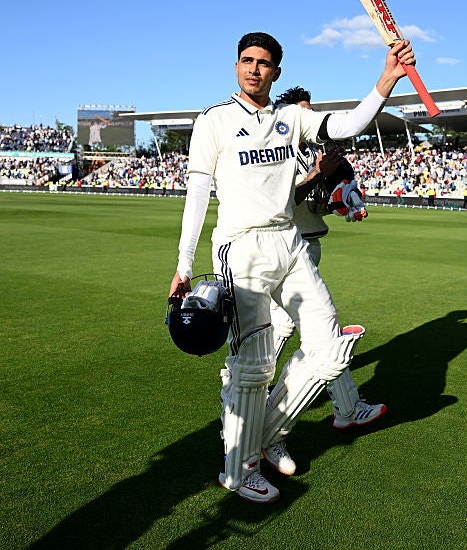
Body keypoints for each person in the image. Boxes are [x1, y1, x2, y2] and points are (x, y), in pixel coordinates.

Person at [169, 32, 416, 504]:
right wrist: (183, 264)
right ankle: (238, 470)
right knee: (252, 367)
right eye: (247, 61)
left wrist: (386, 79)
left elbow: (346, 125)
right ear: (236, 65)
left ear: (276, 71)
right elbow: (198, 193)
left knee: (330, 349)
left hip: (291, 242)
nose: (254, 69)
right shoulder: (214, 120)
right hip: (241, 249)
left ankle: (263, 437)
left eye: (263, 63)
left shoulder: (290, 117)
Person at [266, 87, 386, 448]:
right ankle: (347, 410)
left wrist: (345, 203)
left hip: (306, 245)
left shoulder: (310, 153)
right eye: (303, 111)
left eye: (311, 111)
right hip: (288, 249)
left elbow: (319, 203)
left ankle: (253, 387)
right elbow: (282, 202)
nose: (310, 118)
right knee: (324, 332)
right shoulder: (278, 152)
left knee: (279, 327)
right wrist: (319, 175)